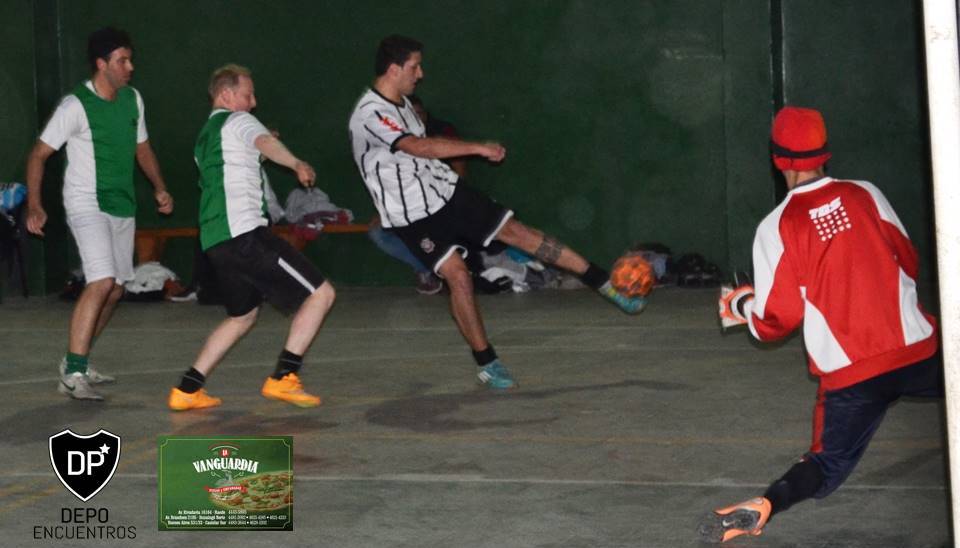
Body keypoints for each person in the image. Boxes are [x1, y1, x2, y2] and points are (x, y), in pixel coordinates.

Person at [348, 35, 646, 390]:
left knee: (519, 233)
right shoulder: (370, 113)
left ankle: (607, 286)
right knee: (459, 277)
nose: (421, 73)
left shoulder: (406, 105)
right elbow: (419, 147)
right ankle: (488, 363)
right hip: (413, 216)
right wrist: (477, 148)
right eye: (415, 66)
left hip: (447, 191)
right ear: (394, 69)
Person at [701, 106, 940, 543]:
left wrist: (742, 304)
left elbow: (775, 322)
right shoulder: (866, 194)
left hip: (853, 378)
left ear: (777, 159)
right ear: (825, 151)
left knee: (826, 463)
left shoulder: (776, 227)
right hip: (918, 351)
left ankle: (767, 503)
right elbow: (909, 259)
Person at [167, 64, 335, 411]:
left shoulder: (205, 136)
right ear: (226, 95)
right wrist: (295, 163)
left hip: (216, 242)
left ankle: (187, 389)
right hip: (245, 234)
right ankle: (284, 377)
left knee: (242, 316)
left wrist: (260, 141)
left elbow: (243, 153)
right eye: (248, 95)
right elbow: (264, 142)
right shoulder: (239, 120)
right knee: (321, 294)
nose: (253, 102)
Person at [25, 27, 174, 401]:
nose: (130, 67)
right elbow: (39, 154)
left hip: (123, 205)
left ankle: (77, 359)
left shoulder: (133, 100)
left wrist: (159, 187)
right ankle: (73, 375)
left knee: (116, 289)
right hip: (86, 202)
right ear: (101, 64)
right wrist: (35, 204)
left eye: (130, 59)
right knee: (101, 280)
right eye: (122, 60)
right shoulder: (75, 105)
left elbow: (142, 148)